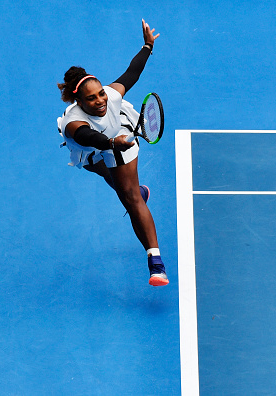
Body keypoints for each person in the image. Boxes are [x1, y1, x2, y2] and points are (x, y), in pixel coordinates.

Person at [57, 20, 168, 286]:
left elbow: (132, 73)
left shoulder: (111, 95)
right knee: (110, 175)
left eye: (100, 95)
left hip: (121, 138)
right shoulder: (73, 123)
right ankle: (136, 190)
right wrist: (110, 143)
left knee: (129, 198)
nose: (100, 101)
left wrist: (147, 46)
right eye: (92, 99)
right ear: (79, 102)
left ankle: (156, 263)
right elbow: (88, 137)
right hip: (94, 149)